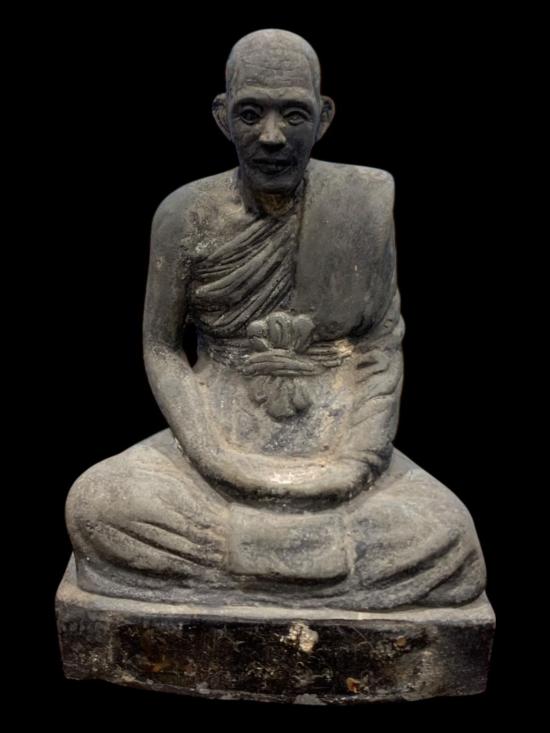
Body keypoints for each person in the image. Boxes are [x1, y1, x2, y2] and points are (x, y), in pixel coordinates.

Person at [65, 29, 486, 610]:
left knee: (448, 534)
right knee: (99, 506)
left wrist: (355, 464)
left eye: (294, 114)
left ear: (324, 117)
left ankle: (242, 569)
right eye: (250, 113)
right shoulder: (185, 215)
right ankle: (318, 571)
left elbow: (379, 345)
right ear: (222, 116)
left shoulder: (362, 203)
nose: (271, 136)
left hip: (336, 436)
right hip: (215, 436)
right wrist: (213, 456)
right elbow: (161, 347)